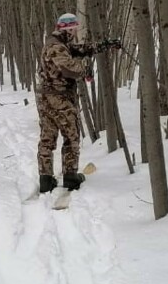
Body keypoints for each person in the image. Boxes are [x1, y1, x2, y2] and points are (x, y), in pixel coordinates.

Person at [36, 13, 119, 193]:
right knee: (70, 137)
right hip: (58, 98)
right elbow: (69, 69)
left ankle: (46, 179)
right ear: (67, 28)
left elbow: (80, 49)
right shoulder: (56, 46)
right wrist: (86, 68)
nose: (75, 32)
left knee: (48, 138)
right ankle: (70, 178)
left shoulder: (60, 44)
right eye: (73, 29)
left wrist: (103, 46)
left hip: (47, 97)